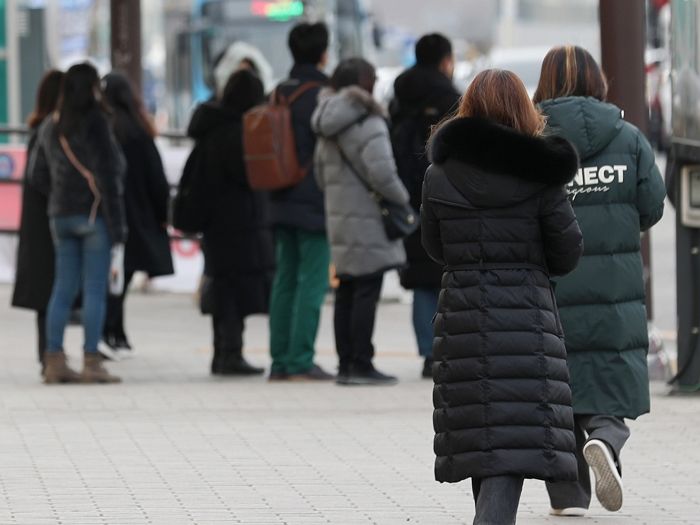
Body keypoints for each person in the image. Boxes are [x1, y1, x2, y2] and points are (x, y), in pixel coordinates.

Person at [422, 69, 584, 525]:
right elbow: (567, 252)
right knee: (509, 442)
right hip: (525, 320)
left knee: (482, 437)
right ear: (524, 110)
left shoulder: (439, 175)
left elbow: (435, 248)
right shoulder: (542, 177)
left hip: (463, 316)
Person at [533, 45, 667, 516]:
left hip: (548, 281)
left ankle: (568, 497)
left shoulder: (529, 141)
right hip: (614, 284)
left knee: (555, 382)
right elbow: (651, 206)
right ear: (598, 81)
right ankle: (607, 438)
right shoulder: (627, 137)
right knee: (607, 373)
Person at [312, 58, 409, 386]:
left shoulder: (326, 123)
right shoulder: (369, 121)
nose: (377, 79)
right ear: (360, 83)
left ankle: (345, 364)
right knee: (367, 289)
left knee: (347, 289)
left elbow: (320, 175)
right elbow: (383, 173)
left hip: (339, 217)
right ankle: (362, 363)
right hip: (368, 219)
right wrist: (402, 200)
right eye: (373, 76)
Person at [29, 62, 127, 384]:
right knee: (95, 289)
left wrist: (60, 194)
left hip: (59, 216)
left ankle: (54, 359)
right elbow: (111, 174)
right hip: (93, 215)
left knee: (62, 288)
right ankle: (91, 361)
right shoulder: (96, 122)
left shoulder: (50, 125)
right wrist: (118, 226)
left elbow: (36, 175)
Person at [187, 69, 274, 376]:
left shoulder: (209, 130)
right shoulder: (238, 133)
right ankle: (231, 354)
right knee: (234, 288)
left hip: (214, 224)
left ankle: (221, 351)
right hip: (239, 223)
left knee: (222, 284)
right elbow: (249, 178)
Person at [390, 33, 460, 378]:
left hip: (406, 193)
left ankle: (427, 353)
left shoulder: (399, 94)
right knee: (447, 274)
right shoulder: (449, 96)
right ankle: (447, 350)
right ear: (445, 60)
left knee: (420, 276)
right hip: (444, 191)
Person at [268, 22, 334, 381]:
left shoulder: (279, 91)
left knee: (285, 279)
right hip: (313, 198)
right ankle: (300, 359)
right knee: (311, 281)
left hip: (278, 195)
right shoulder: (323, 94)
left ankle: (279, 360)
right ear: (323, 53)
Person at [101, 72, 174, 356]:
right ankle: (115, 331)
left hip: (108, 212)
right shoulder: (139, 131)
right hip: (138, 214)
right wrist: (161, 212)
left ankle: (112, 330)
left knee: (108, 275)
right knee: (124, 275)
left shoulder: (104, 128)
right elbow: (156, 178)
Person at [12, 70, 65, 374]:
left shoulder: (38, 132)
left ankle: (48, 351)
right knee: (50, 287)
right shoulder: (49, 133)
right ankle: (50, 353)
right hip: (48, 221)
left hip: (38, 224)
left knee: (46, 289)